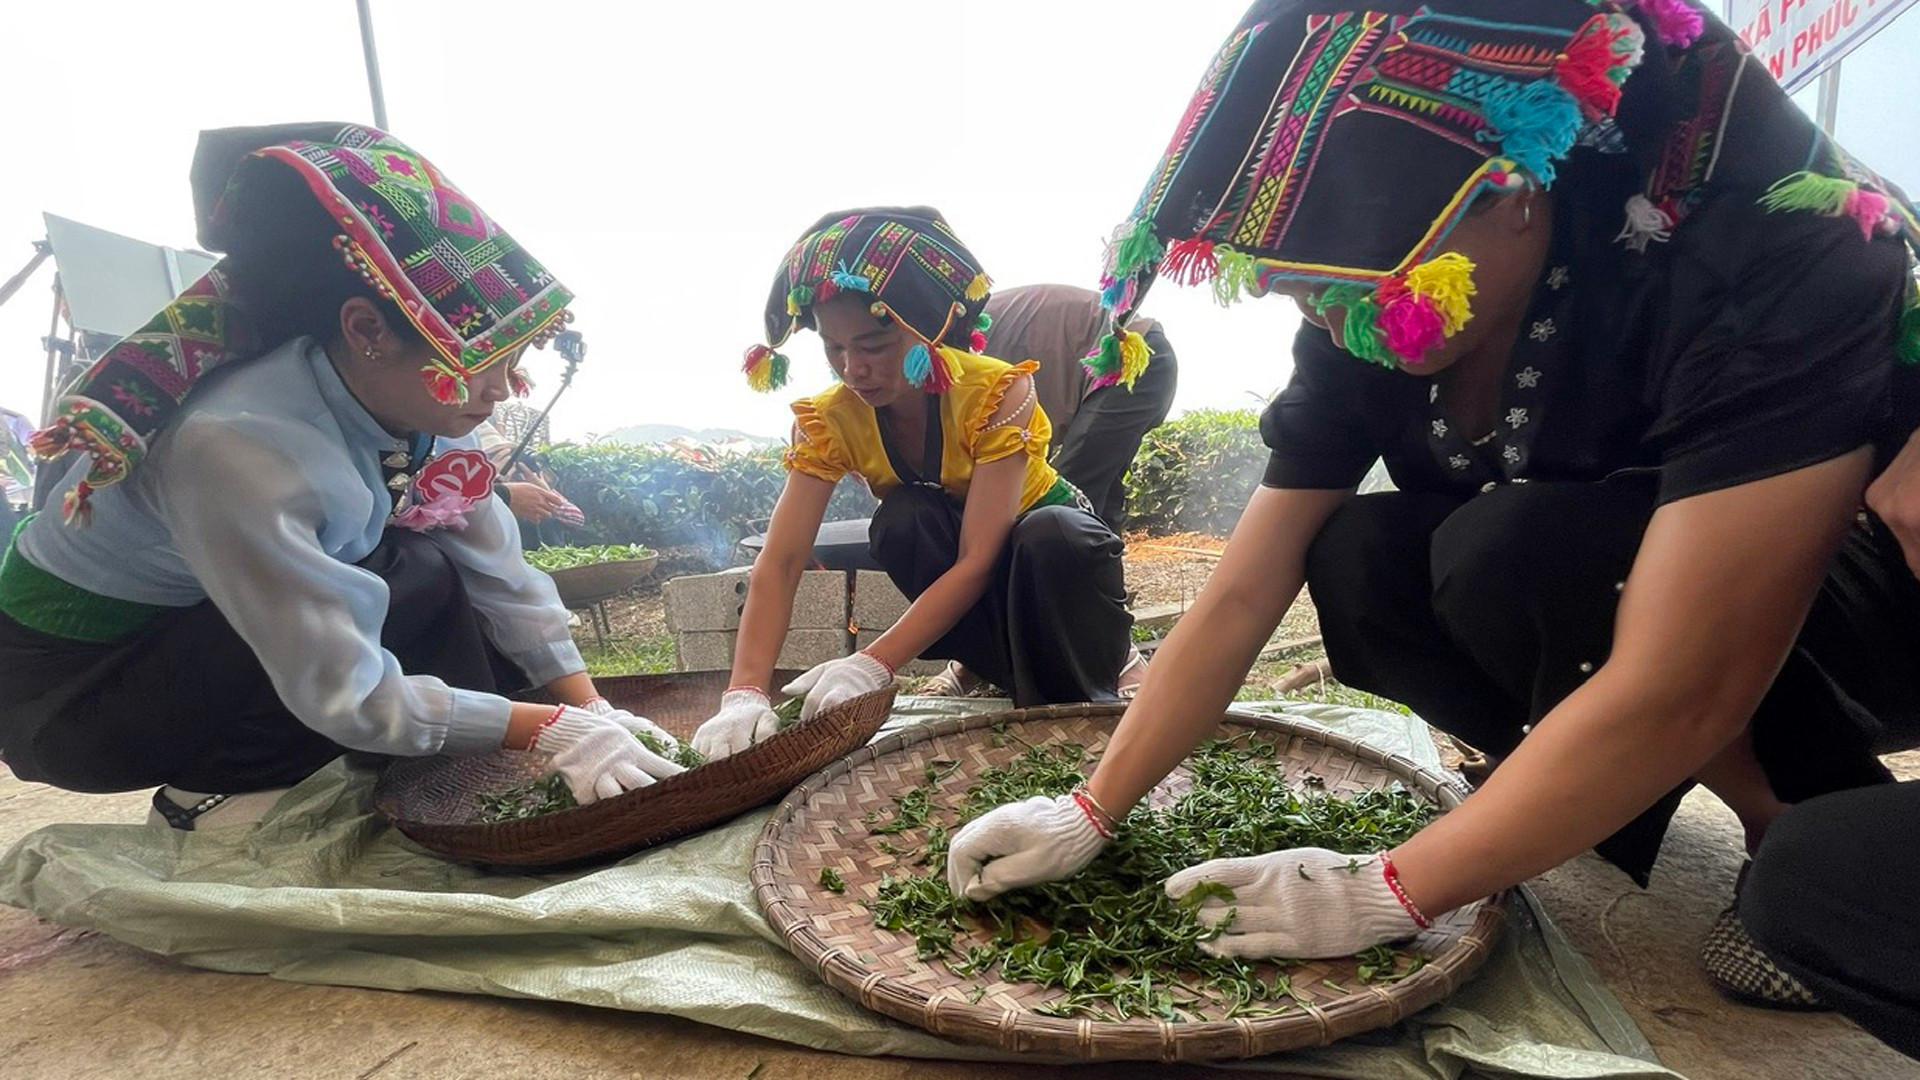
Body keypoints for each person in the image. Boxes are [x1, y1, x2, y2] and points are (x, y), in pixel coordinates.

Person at [944, 0, 1920, 1014]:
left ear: (1512, 196)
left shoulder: (1757, 247)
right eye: (1307, 296)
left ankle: (1798, 812)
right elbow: (1239, 595)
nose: (1336, 319)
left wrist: (1388, 890)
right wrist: (1092, 808)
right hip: (1623, 591)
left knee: (1525, 544)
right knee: (1365, 552)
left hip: (1838, 608)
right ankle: (1565, 773)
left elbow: (1689, 680)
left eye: (1349, 291)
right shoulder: (1362, 307)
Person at [0, 123, 684, 829]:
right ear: (366, 330)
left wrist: (589, 705)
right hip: (77, 690)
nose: (506, 390)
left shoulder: (434, 407)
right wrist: (548, 730)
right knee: (378, 591)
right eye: (488, 363)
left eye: (516, 361)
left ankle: (418, 771)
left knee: (423, 568)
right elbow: (343, 689)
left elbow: (502, 574)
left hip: (203, 630)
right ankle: (215, 797)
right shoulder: (237, 447)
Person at [690, 208, 1140, 759]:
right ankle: (985, 664)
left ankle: (1110, 663)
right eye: (834, 348)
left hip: (1056, 572)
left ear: (929, 329)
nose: (853, 368)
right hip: (978, 588)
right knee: (903, 519)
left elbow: (980, 558)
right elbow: (781, 562)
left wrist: (872, 662)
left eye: (874, 346)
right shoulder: (829, 419)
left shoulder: (995, 394)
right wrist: (744, 691)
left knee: (1050, 534)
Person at [980, 285, 1178, 530]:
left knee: (1062, 501)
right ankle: (1102, 563)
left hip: (1132, 357)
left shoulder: (957, 346)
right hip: (1140, 359)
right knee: (1099, 502)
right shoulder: (956, 327)